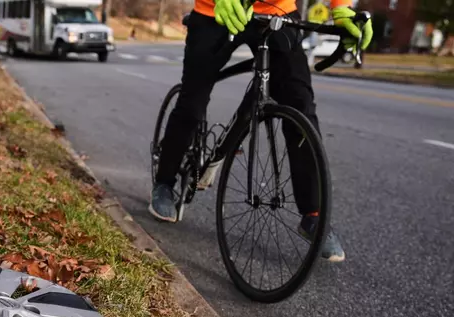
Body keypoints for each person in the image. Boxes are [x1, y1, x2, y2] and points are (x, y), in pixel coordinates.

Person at [149, 0, 372, 262]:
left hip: (276, 13)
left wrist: (342, 8)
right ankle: (164, 183)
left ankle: (313, 214)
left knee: (300, 106)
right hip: (215, 12)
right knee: (192, 102)